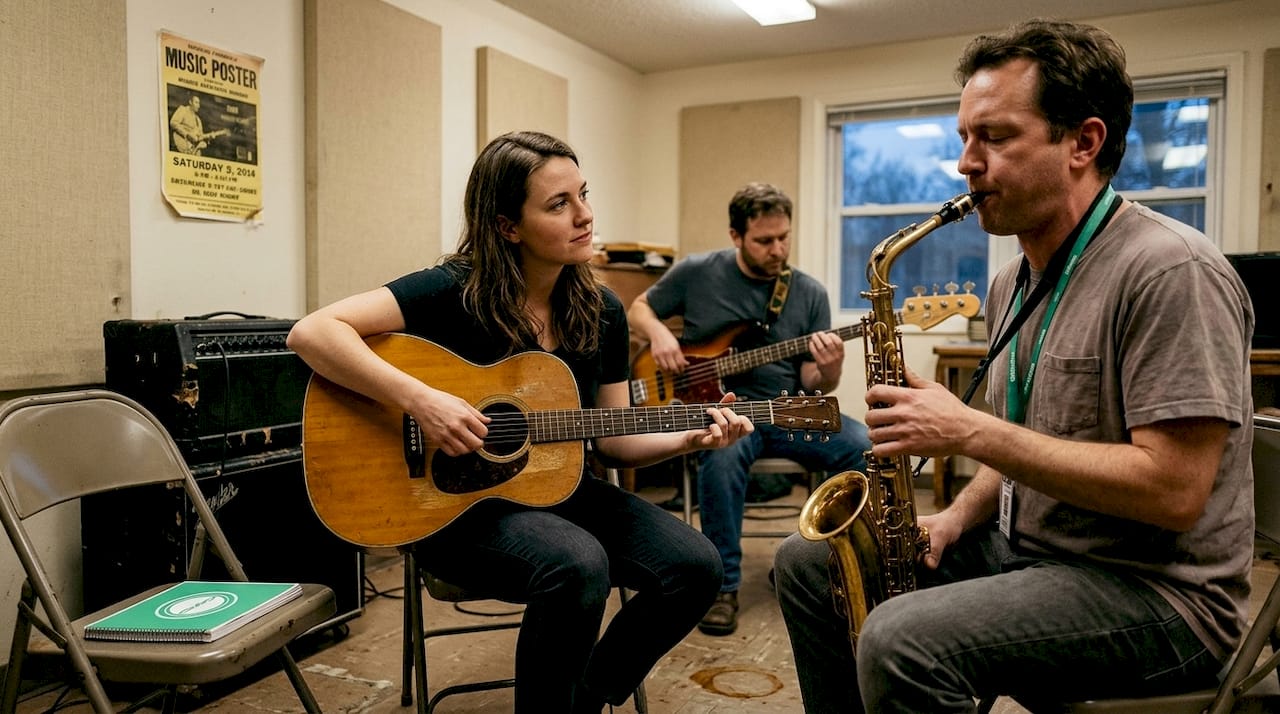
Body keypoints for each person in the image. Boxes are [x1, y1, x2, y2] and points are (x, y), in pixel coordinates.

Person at [774, 19, 1256, 712]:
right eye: (965, 138)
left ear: (1083, 143)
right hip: (1030, 550)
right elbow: (1026, 444)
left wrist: (968, 431)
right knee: (809, 563)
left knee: (899, 639)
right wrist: (956, 517)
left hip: (1163, 596)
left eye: (995, 138)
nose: (967, 163)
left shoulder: (1170, 270)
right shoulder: (1013, 280)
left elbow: (1174, 490)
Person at [287, 131, 754, 713]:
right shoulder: (452, 289)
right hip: (449, 506)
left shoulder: (602, 310)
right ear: (508, 226)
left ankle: (586, 697)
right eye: (559, 204)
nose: (585, 216)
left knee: (696, 567)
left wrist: (690, 435)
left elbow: (611, 437)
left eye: (584, 195)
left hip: (558, 491)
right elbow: (311, 333)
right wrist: (421, 400)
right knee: (578, 563)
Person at [628, 182, 871, 636]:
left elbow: (811, 382)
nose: (778, 249)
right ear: (735, 236)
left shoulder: (809, 293)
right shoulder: (698, 272)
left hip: (786, 411)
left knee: (861, 445)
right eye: (764, 240)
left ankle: (812, 566)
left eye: (784, 238)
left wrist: (830, 370)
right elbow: (639, 308)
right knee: (721, 455)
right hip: (720, 410)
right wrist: (659, 335)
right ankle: (723, 586)